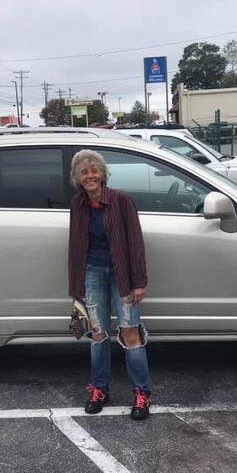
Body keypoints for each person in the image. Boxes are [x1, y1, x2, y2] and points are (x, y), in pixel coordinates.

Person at [67, 149, 152, 420]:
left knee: (130, 333)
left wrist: (139, 282)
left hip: (122, 276)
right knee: (98, 334)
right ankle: (100, 389)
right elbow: (75, 247)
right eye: (84, 172)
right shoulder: (77, 204)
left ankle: (141, 392)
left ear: (103, 174)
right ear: (77, 178)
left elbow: (136, 243)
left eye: (94, 171)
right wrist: (75, 289)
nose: (90, 176)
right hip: (91, 273)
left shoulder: (121, 200)